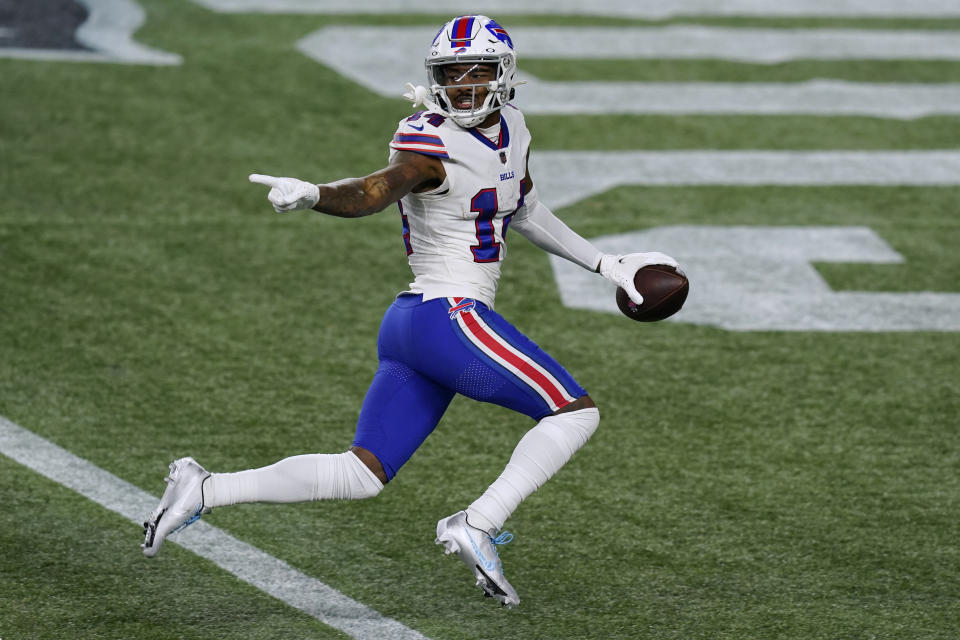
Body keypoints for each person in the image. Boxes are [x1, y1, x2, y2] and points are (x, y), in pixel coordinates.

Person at [141, 14, 679, 608]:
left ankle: (206, 489)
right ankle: (477, 521)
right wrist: (317, 195)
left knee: (361, 473)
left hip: (414, 325)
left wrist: (606, 264)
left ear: (503, 78)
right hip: (447, 315)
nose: (463, 87)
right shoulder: (427, 144)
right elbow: (373, 190)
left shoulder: (513, 128)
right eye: (451, 75)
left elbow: (522, 209)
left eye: (476, 74)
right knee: (573, 414)